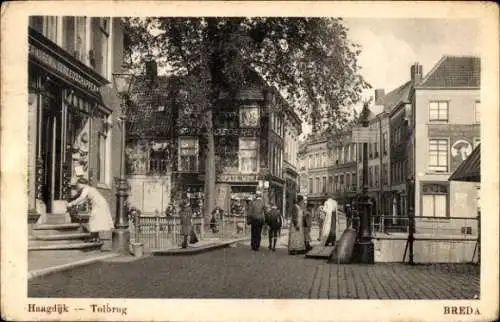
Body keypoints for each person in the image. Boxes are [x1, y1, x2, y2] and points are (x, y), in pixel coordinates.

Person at [67, 177, 114, 243]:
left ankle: (94, 237)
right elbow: (84, 200)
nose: (78, 186)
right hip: (101, 204)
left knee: (93, 220)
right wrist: (76, 203)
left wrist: (72, 203)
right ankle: (95, 238)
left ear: (83, 184)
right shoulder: (90, 188)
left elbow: (81, 198)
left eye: (79, 184)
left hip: (98, 205)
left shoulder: (86, 189)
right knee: (96, 221)